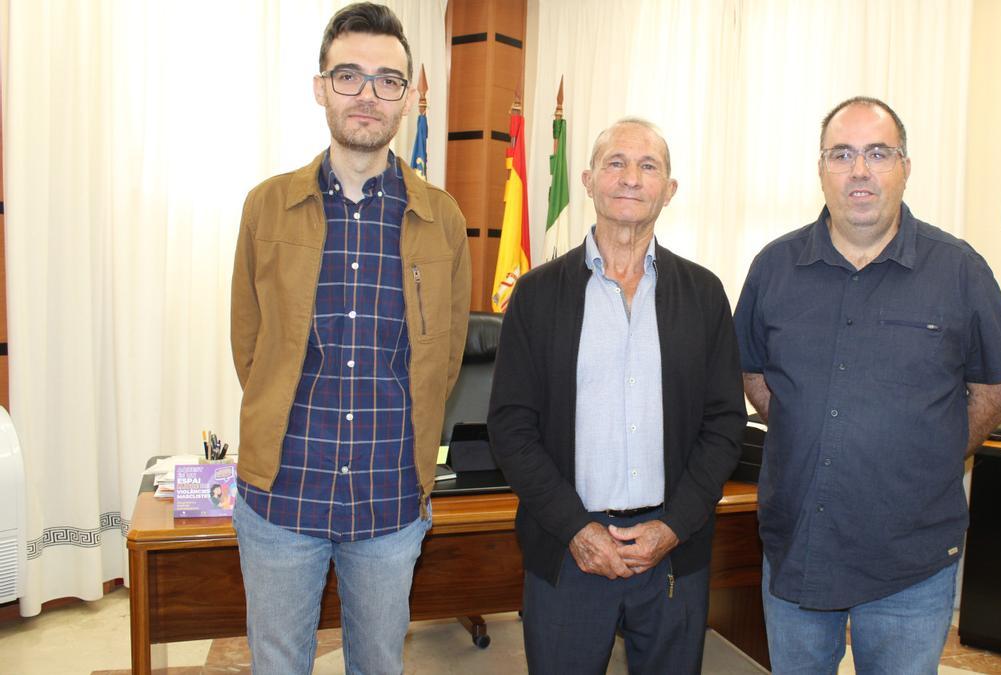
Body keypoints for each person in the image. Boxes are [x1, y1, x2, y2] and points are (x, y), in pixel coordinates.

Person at [734, 97, 1001, 674]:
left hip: (910, 558)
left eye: (877, 153)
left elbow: (996, 390)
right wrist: (806, 427)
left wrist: (931, 453)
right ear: (821, 169)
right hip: (798, 547)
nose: (859, 170)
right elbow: (755, 375)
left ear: (904, 168)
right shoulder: (773, 267)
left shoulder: (960, 270)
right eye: (842, 154)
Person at [229, 3, 470, 672]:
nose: (367, 94)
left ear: (409, 94)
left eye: (387, 79)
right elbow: (248, 341)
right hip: (282, 491)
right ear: (319, 87)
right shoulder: (266, 205)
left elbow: (444, 357)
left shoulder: (442, 219)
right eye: (348, 76)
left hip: (391, 498)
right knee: (278, 662)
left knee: (378, 664)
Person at [487, 118, 746, 674]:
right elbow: (511, 427)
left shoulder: (703, 294)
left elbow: (724, 424)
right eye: (616, 163)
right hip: (569, 547)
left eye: (648, 166)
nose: (631, 178)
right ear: (587, 180)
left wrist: (672, 525)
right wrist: (577, 529)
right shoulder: (535, 294)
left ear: (669, 190)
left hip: (673, 550)